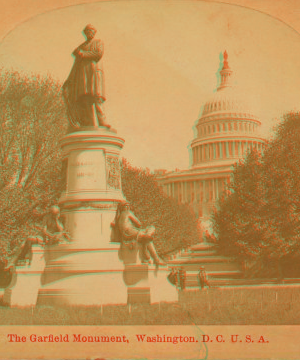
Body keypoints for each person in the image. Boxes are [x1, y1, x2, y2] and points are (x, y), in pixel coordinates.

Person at [63, 24, 110, 129]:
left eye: (91, 31)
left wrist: (82, 54)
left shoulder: (98, 43)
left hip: (93, 72)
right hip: (83, 75)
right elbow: (75, 64)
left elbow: (98, 54)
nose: (89, 33)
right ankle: (89, 123)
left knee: (96, 98)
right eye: (87, 31)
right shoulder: (81, 46)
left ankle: (102, 122)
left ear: (94, 32)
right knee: (85, 99)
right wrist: (69, 79)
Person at [111, 202, 165, 266]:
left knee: (146, 238)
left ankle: (149, 256)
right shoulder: (128, 212)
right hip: (131, 231)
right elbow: (138, 223)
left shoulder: (119, 216)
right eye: (127, 206)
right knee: (151, 228)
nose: (128, 207)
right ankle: (156, 259)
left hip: (126, 234)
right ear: (126, 207)